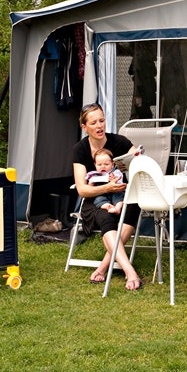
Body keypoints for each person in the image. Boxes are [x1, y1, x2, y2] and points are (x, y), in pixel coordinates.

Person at [72, 103, 143, 290]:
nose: (99, 126)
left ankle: (103, 266)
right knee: (105, 215)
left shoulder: (120, 142)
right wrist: (107, 189)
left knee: (133, 205)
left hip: (121, 195)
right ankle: (129, 271)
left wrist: (135, 163)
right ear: (84, 127)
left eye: (102, 121)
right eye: (93, 122)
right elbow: (82, 189)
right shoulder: (80, 150)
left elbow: (140, 163)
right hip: (95, 200)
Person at [86, 148, 125, 214]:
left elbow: (120, 185)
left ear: (112, 164)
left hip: (115, 193)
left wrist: (114, 180)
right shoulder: (94, 175)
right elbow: (89, 189)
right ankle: (108, 206)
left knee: (119, 196)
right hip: (101, 194)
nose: (103, 166)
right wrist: (91, 183)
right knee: (98, 199)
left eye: (106, 164)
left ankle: (118, 208)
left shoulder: (116, 172)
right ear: (95, 165)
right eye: (99, 165)